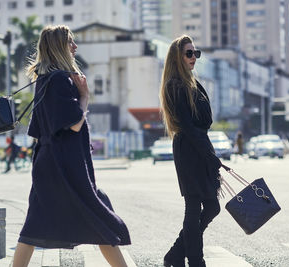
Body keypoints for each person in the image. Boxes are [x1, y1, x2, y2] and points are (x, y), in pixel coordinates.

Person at [12, 25, 130, 267]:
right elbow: (75, 124)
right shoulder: (59, 80)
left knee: (36, 224)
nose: (75, 47)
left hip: (51, 164)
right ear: (58, 47)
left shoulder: (44, 80)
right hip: (66, 168)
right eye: (70, 43)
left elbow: (40, 129)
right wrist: (84, 96)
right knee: (99, 217)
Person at [159, 35, 222, 267]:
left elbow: (205, 121)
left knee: (213, 207)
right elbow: (187, 125)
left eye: (196, 53)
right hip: (189, 149)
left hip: (200, 145)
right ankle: (196, 261)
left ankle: (176, 253)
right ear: (178, 57)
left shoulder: (193, 82)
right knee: (194, 208)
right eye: (189, 53)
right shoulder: (175, 86)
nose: (194, 57)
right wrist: (209, 156)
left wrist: (209, 153)